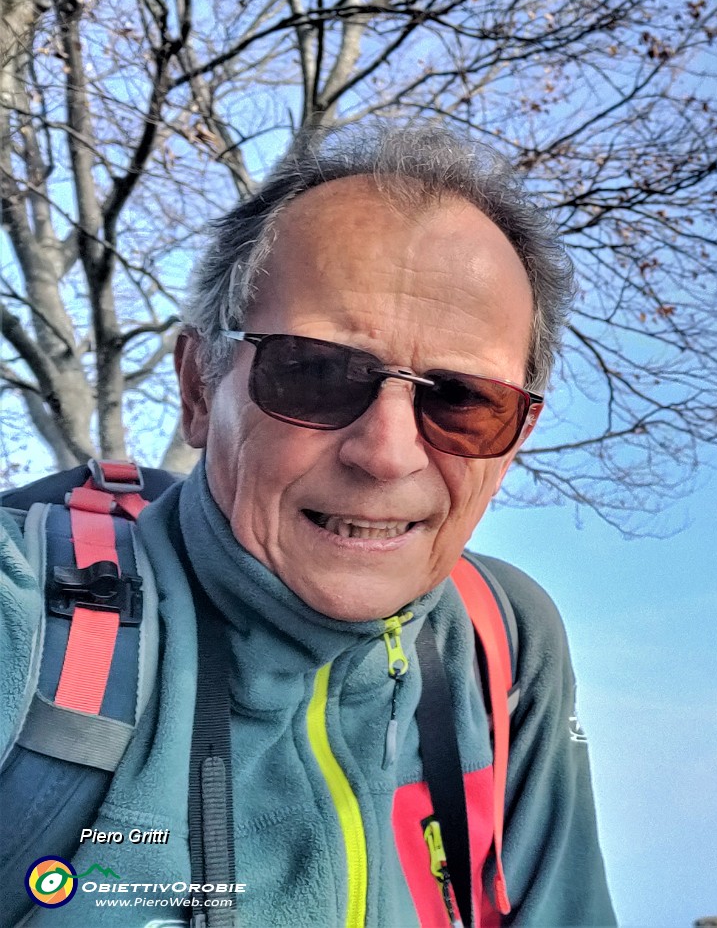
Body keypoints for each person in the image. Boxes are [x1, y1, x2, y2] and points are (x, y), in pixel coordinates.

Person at [0, 125, 616, 926]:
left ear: (514, 442)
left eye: (462, 400)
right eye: (316, 372)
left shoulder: (502, 645)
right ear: (198, 389)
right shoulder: (30, 625)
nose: (388, 454)